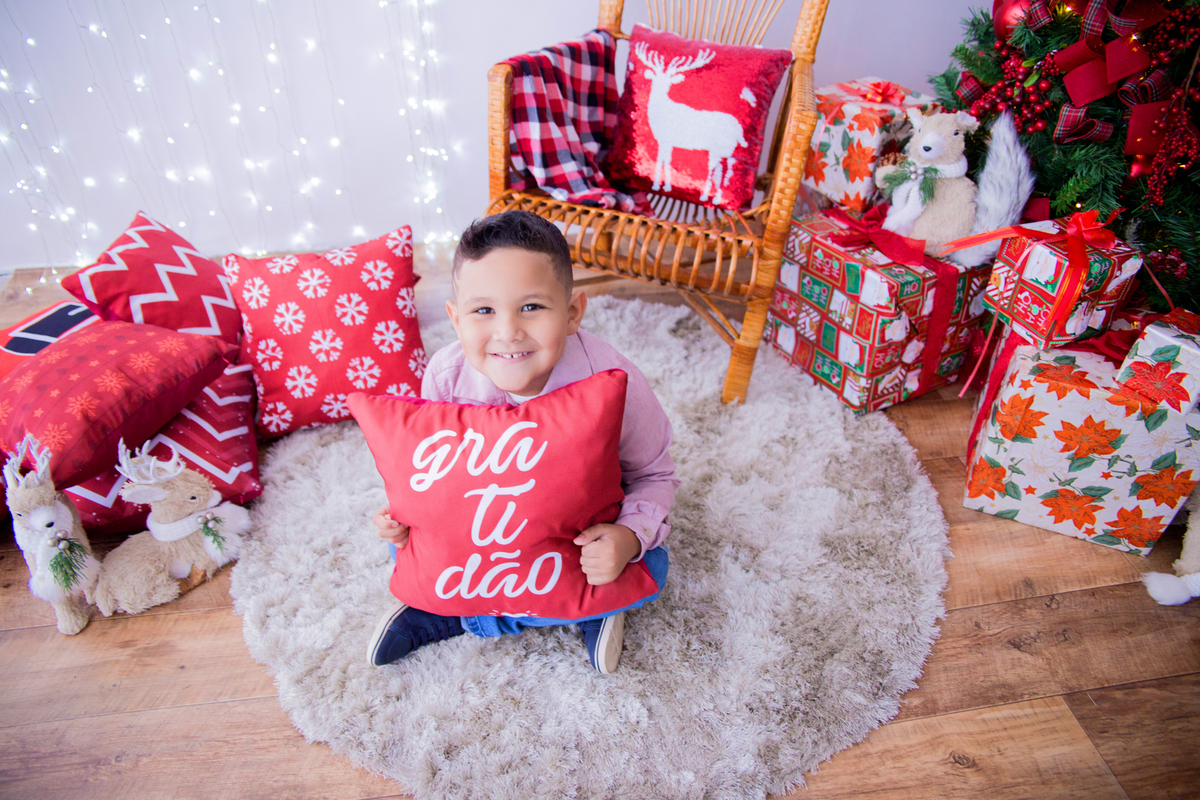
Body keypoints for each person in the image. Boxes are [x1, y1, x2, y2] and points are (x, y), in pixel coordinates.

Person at [367, 209, 678, 674]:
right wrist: (404, 520)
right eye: (483, 311)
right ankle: (566, 610)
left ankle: (459, 615)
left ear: (572, 313)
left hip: (574, 537)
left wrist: (628, 538)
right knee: (402, 549)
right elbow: (432, 474)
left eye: (531, 307)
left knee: (651, 565)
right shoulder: (446, 376)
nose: (508, 332)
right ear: (456, 319)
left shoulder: (614, 382)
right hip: (487, 527)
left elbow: (655, 475)